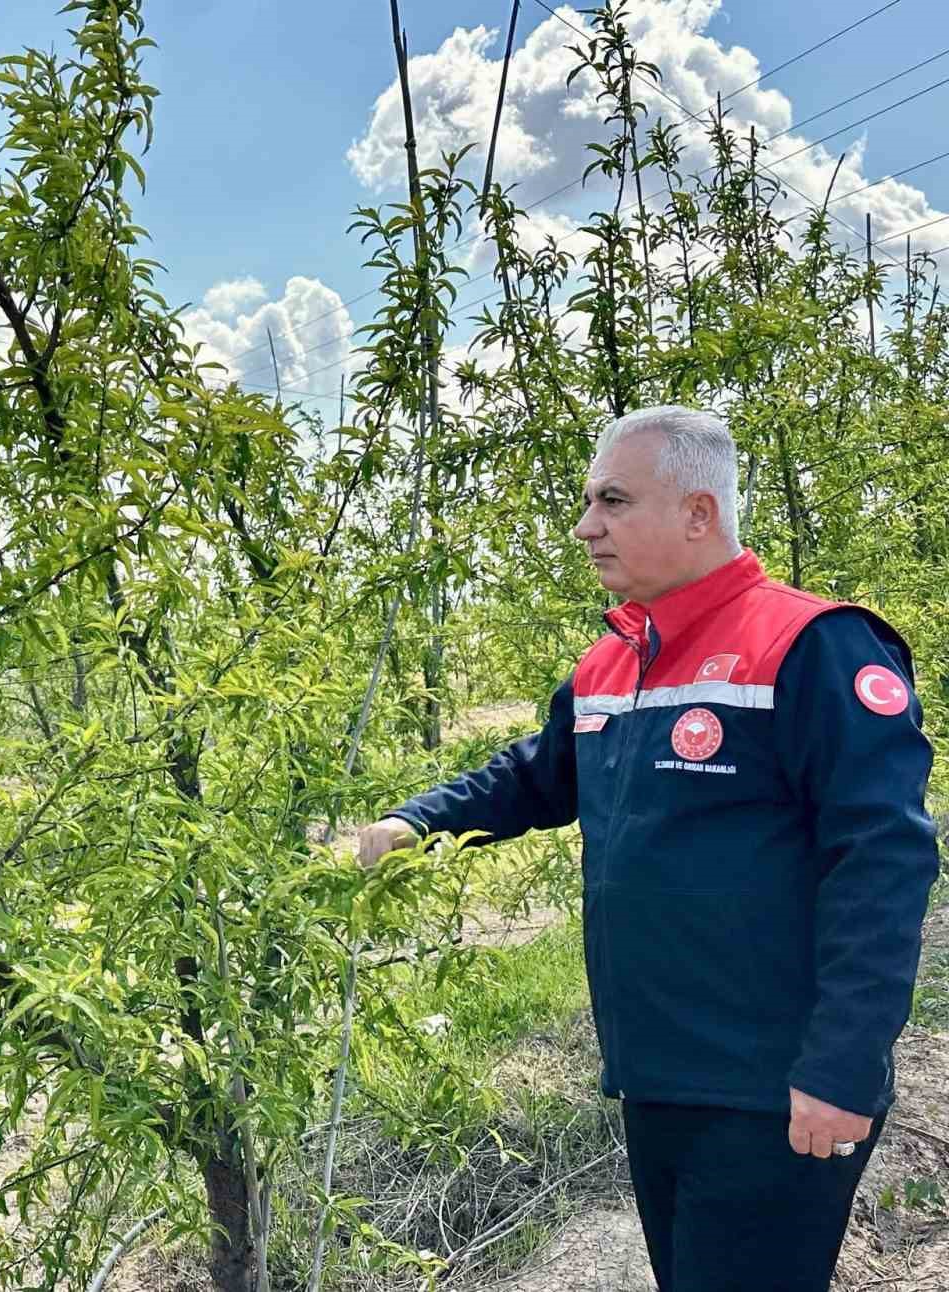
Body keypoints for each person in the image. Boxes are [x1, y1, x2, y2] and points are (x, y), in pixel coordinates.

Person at [358, 407, 939, 1292]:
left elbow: (883, 863)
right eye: (590, 502)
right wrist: (415, 823)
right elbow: (534, 776)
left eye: (613, 501)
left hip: (773, 1088)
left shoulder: (811, 646)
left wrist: (843, 1066)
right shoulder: (613, 661)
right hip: (657, 1076)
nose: (585, 526)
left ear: (699, 513)